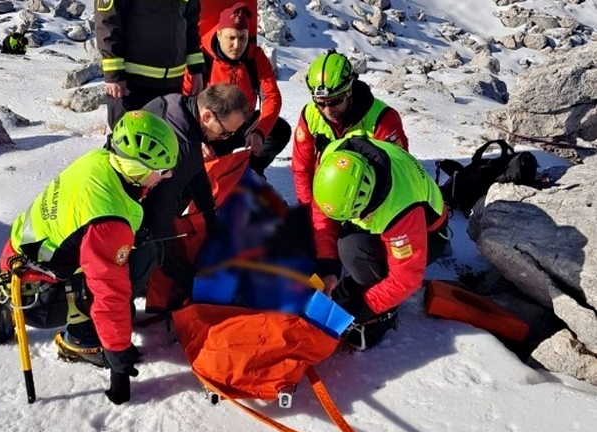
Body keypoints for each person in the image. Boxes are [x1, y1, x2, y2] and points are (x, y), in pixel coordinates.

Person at [0, 111, 180, 404]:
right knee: (140, 262)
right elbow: (109, 292)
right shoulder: (108, 221)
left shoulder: (101, 161)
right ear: (138, 170)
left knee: (137, 248)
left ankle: (8, 305)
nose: (168, 175)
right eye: (162, 170)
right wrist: (117, 352)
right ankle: (80, 340)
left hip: (17, 262)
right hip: (41, 297)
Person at [311, 137, 448, 350]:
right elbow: (324, 216)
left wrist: (363, 308)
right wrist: (328, 266)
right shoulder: (335, 160)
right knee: (349, 245)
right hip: (386, 216)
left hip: (427, 235)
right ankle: (366, 286)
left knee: (355, 251)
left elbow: (407, 279)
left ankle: (386, 311)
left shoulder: (401, 207)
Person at [292, 49, 410, 294]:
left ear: (350, 90)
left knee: (353, 249)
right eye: (320, 103)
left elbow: (397, 184)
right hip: (328, 199)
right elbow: (302, 167)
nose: (327, 110)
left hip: (368, 208)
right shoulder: (311, 115)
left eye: (335, 101)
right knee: (294, 235)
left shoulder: (382, 120)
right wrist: (307, 207)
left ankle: (377, 291)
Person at [141, 84, 250, 292]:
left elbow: (197, 172)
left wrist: (209, 215)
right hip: (124, 214)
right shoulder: (184, 146)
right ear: (207, 115)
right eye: (226, 133)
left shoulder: (174, 103)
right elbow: (158, 212)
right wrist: (178, 269)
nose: (223, 139)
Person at [183, 2, 291, 177]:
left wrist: (259, 132)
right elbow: (183, 101)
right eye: (231, 38)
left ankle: (249, 172)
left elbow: (272, 97)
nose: (237, 44)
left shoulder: (255, 57)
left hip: (243, 127)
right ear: (219, 34)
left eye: (242, 38)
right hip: (210, 132)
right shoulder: (201, 58)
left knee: (279, 130)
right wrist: (195, 142)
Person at [95, 0, 206, 129]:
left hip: (173, 85)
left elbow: (191, 25)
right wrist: (114, 74)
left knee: (166, 142)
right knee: (130, 142)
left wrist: (196, 69)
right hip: (133, 84)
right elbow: (107, 22)